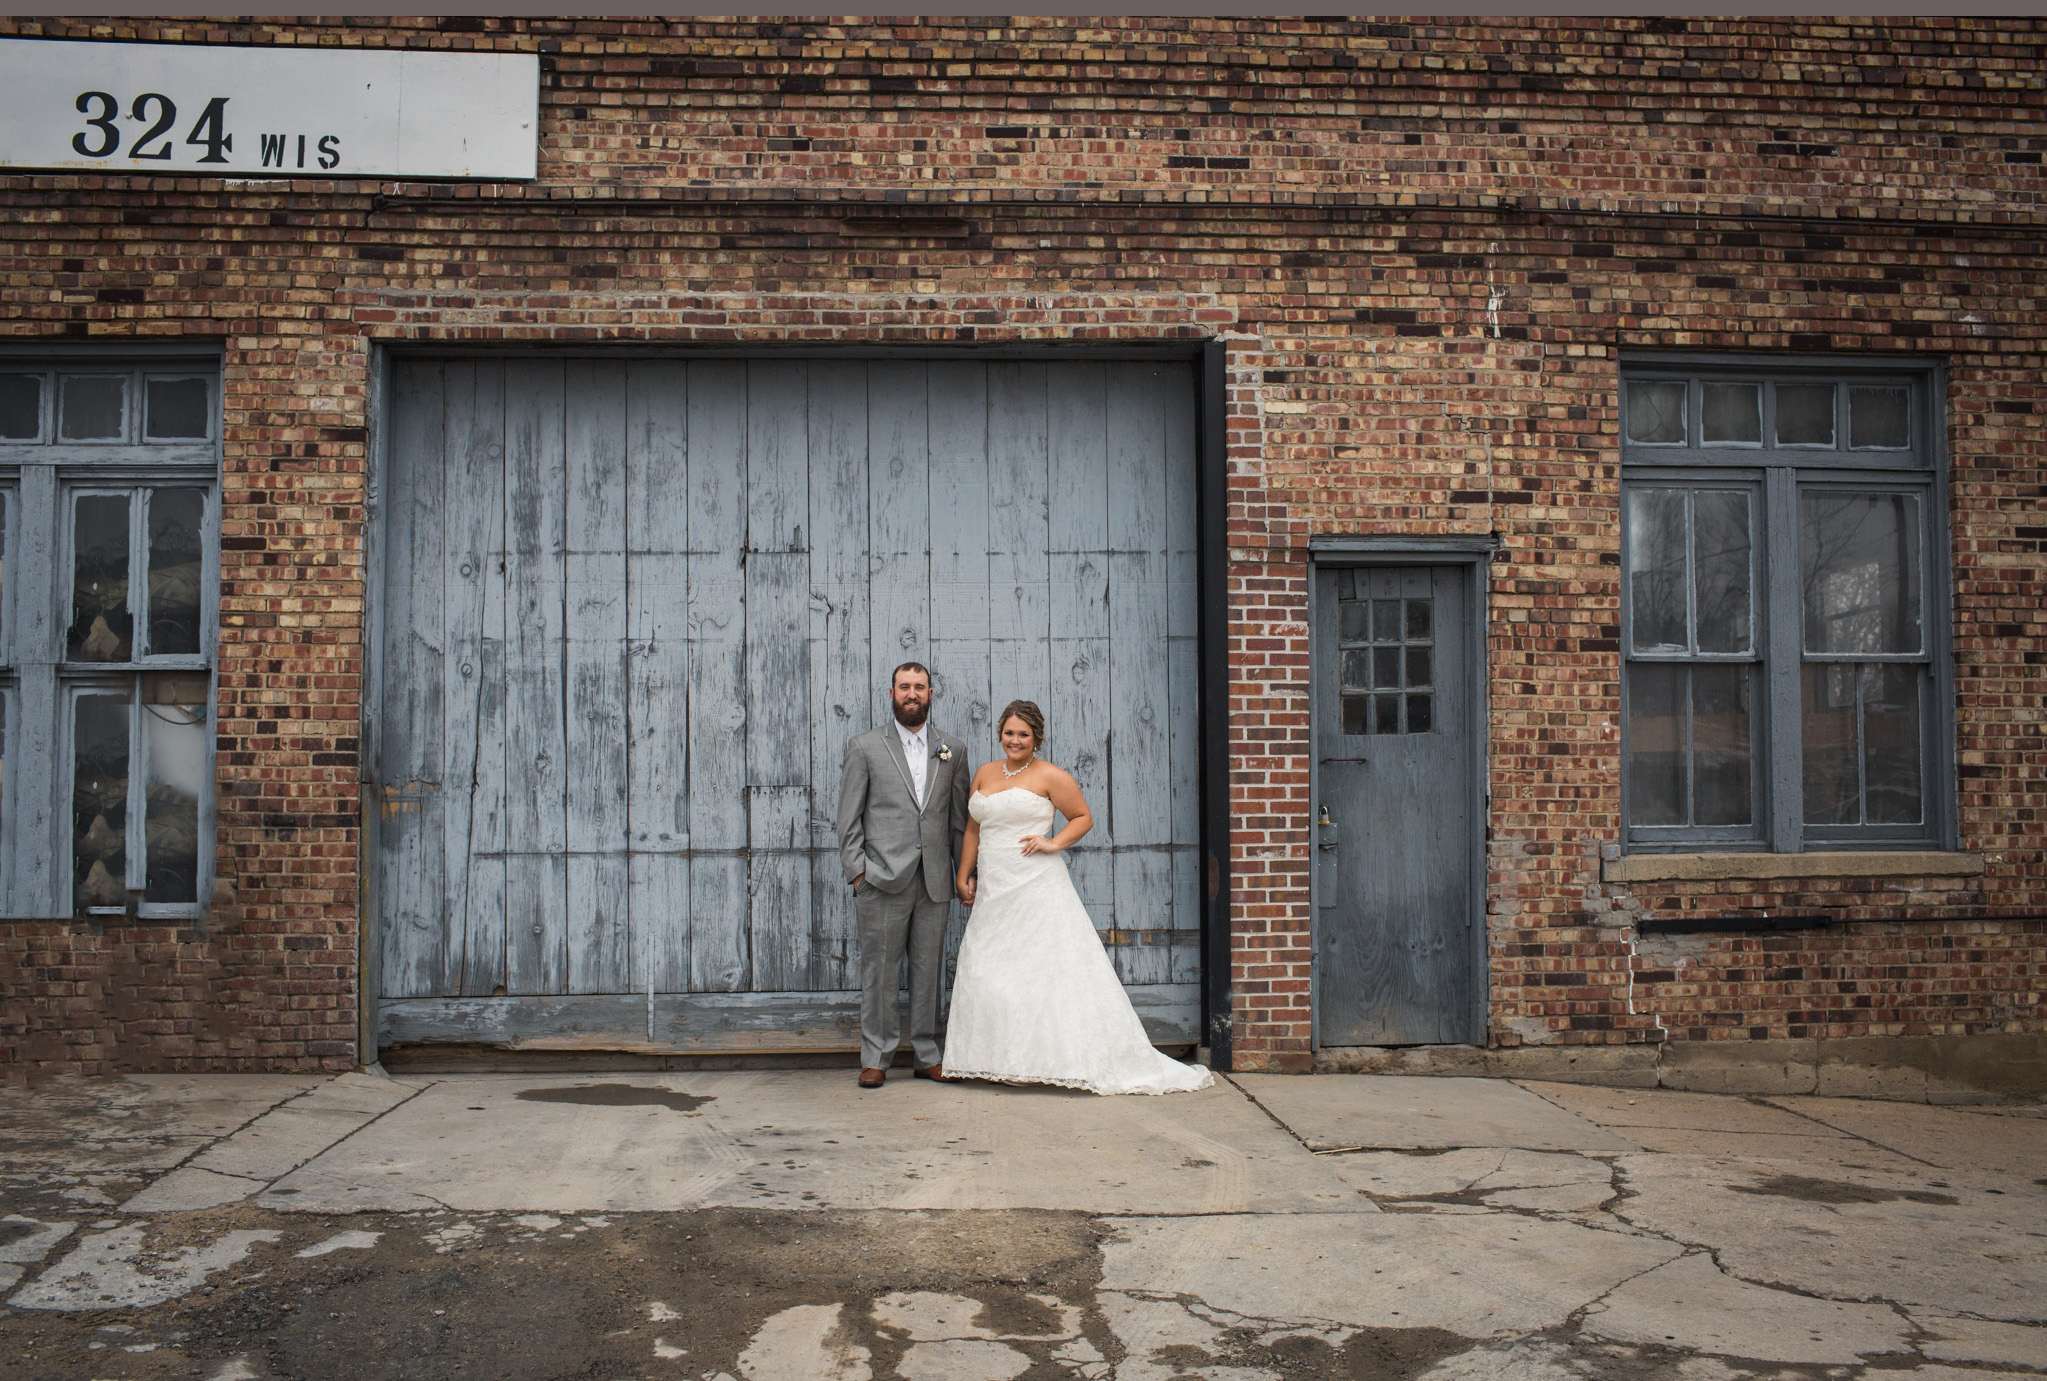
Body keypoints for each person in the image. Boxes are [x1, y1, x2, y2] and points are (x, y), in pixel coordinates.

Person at [944, 700, 1214, 1096]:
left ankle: (1053, 1061)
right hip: (994, 888)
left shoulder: (1051, 775)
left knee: (1042, 970)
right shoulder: (985, 773)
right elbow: (972, 829)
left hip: (1035, 884)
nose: (1015, 740)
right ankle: (994, 1060)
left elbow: (1083, 817)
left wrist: (1052, 843)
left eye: (1023, 734)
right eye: (1009, 732)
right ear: (1000, 732)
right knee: (991, 966)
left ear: (1036, 738)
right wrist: (964, 873)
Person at [835, 662, 972, 1089]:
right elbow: (848, 818)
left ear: (932, 693)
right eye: (904, 687)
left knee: (929, 971)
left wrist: (963, 874)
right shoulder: (865, 746)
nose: (911, 694)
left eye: (919, 687)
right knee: (880, 970)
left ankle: (928, 1054)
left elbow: (957, 821)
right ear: (892, 692)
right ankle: (876, 1056)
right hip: (881, 878)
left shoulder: (952, 748)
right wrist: (859, 872)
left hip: (934, 880)